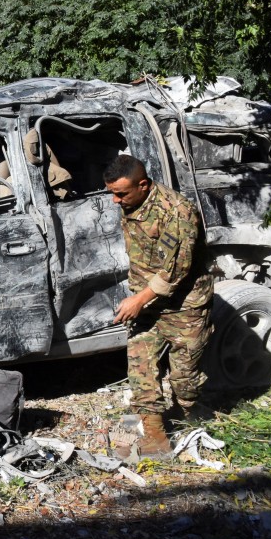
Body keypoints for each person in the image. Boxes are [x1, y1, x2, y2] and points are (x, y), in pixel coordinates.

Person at [104, 155, 213, 459]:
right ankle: (151, 437)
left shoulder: (179, 212)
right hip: (148, 304)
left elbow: (176, 270)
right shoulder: (130, 203)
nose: (115, 200)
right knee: (140, 369)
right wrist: (139, 297)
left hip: (185, 307)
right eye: (111, 192)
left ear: (143, 184)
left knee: (185, 380)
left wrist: (137, 300)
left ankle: (191, 417)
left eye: (121, 193)